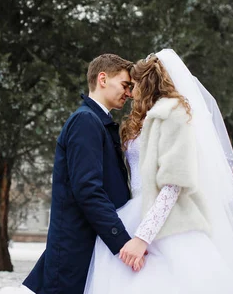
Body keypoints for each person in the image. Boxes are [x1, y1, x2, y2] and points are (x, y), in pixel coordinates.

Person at [84, 49, 233, 294]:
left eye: (134, 84)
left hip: (169, 224)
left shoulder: (174, 115)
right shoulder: (144, 119)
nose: (130, 93)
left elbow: (173, 184)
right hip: (135, 213)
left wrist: (143, 237)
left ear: (147, 82)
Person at [18, 54, 143, 294]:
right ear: (103, 79)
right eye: (125, 85)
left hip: (86, 246)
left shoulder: (98, 121)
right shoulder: (85, 121)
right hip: (73, 251)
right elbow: (88, 190)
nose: (128, 93)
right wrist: (122, 241)